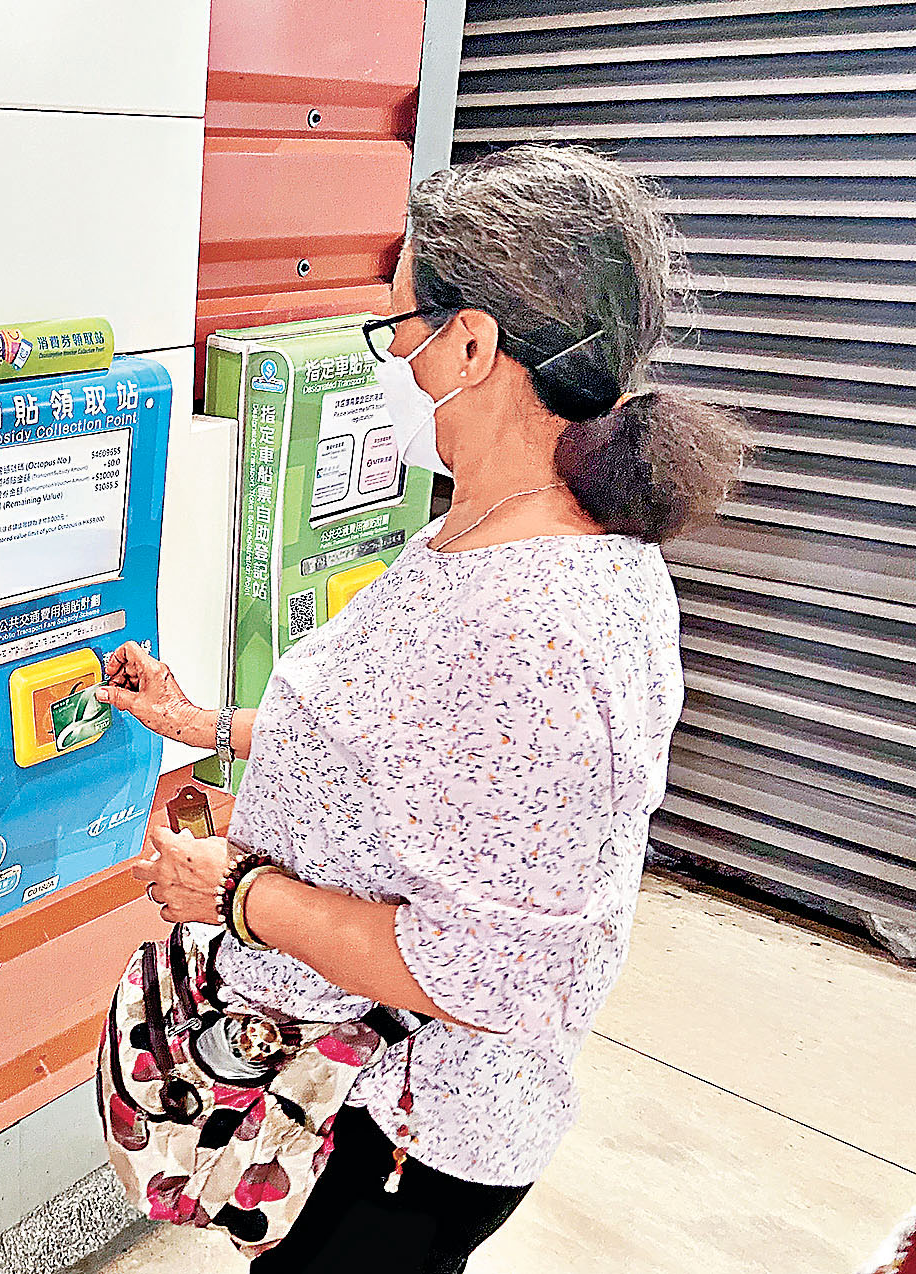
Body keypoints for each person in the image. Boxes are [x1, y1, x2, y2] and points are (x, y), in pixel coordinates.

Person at [96, 145, 747, 1273]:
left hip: (399, 1138)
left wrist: (237, 896)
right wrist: (207, 724)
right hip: (363, 1104)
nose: (389, 356)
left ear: (473, 343)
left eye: (398, 326)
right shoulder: (493, 531)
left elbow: (490, 975)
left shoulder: (534, 624)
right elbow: (410, 750)